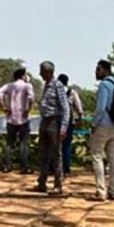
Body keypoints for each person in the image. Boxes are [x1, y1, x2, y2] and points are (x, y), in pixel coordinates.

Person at [34, 61, 69, 194]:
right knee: (43, 153)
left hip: (54, 122)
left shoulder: (57, 85)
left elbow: (65, 108)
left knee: (56, 154)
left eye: (42, 71)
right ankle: (41, 182)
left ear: (48, 72)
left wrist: (63, 127)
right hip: (45, 121)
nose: (40, 74)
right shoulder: (46, 85)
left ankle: (58, 184)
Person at [89, 59, 114, 201]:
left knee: (96, 155)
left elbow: (101, 108)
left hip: (104, 124)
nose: (96, 72)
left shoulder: (104, 85)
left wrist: (94, 124)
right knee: (113, 158)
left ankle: (101, 190)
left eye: (98, 69)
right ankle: (113, 190)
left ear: (104, 70)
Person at [0, 68, 34, 173]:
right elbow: (31, 98)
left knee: (9, 143)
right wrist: (28, 110)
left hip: (11, 118)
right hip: (24, 119)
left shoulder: (9, 86)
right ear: (23, 76)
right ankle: (24, 167)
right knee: (23, 144)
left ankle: (7, 166)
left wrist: (4, 107)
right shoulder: (27, 86)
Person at [58, 74, 84, 176]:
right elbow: (78, 106)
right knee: (67, 146)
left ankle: (54, 169)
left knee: (55, 146)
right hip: (69, 122)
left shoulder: (56, 92)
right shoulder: (72, 92)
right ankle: (66, 169)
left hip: (56, 121)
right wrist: (80, 117)